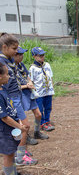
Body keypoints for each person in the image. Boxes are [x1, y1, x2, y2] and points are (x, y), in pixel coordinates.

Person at [0, 33, 38, 166]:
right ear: (4, 47)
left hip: (16, 96)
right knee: (24, 126)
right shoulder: (2, 62)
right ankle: (21, 157)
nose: (17, 51)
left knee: (20, 127)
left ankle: (20, 153)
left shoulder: (8, 59)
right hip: (11, 98)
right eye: (14, 49)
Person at [0, 62, 33, 175]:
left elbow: (11, 109)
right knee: (8, 155)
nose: (9, 77)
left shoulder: (3, 89)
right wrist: (20, 127)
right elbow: (4, 117)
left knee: (12, 153)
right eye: (7, 74)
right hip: (4, 131)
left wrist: (18, 121)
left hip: (11, 128)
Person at [14, 46, 49, 141]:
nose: (21, 56)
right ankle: (25, 136)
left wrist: (29, 82)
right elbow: (11, 87)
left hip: (28, 92)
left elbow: (27, 75)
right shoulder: (9, 67)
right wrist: (26, 86)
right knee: (21, 118)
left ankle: (37, 132)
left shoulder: (21, 65)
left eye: (22, 54)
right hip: (18, 94)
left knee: (38, 114)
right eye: (19, 54)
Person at [29, 47, 55, 131]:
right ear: (34, 57)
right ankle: (42, 123)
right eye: (40, 56)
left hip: (48, 91)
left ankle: (47, 121)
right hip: (39, 93)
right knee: (40, 109)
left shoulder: (47, 65)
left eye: (43, 55)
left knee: (48, 107)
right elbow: (31, 81)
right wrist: (33, 92)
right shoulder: (32, 68)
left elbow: (50, 77)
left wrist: (52, 87)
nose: (42, 57)